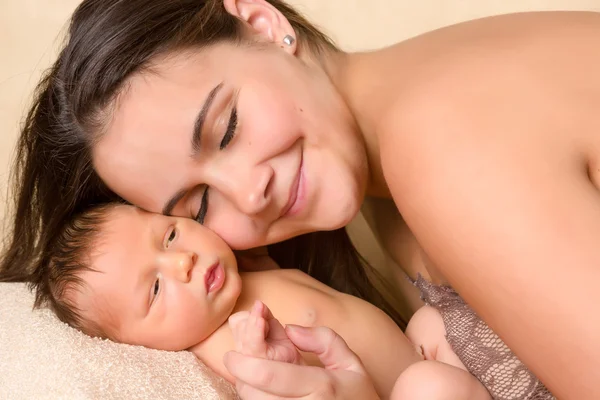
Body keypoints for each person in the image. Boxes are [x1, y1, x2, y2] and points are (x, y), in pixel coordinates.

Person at [1, 0, 599, 397]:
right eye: (200, 207)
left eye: (227, 128)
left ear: (263, 25)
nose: (248, 192)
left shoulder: (442, 145)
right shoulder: (382, 177)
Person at [35, 203, 491, 399]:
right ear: (140, 345)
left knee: (433, 319)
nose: (182, 262)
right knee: (430, 387)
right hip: (401, 392)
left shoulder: (247, 266)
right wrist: (268, 360)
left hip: (414, 352)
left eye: (169, 234)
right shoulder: (228, 347)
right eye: (155, 289)